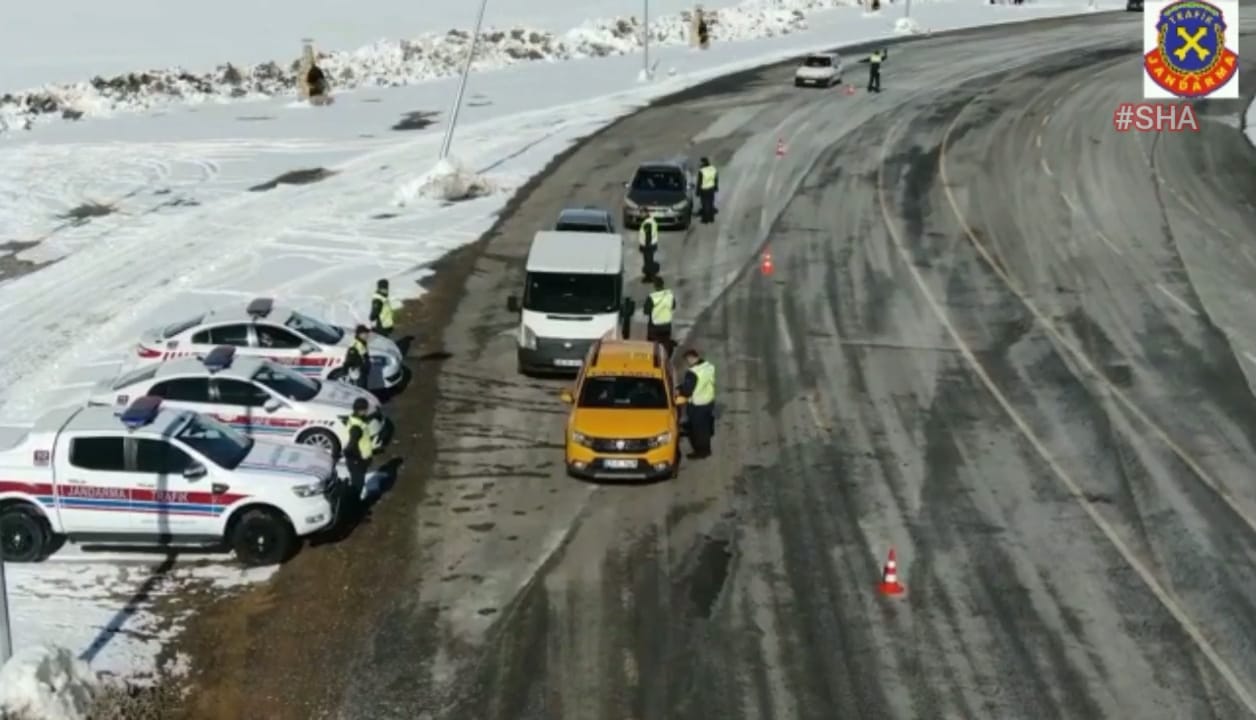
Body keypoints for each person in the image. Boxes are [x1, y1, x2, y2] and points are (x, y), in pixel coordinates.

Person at [676, 349, 716, 459]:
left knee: (698, 431)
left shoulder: (693, 372)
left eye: (687, 360)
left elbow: (687, 391)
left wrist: (678, 390)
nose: (687, 363)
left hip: (697, 405)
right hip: (709, 402)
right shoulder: (709, 366)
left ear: (690, 358)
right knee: (705, 427)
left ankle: (701, 452)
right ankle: (706, 449)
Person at [341, 397, 374, 517]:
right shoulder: (356, 428)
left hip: (356, 460)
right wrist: (359, 460)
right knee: (357, 486)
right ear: (361, 410)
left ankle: (355, 508)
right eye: (365, 409)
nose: (367, 411)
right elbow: (351, 447)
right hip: (357, 461)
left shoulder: (355, 419)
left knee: (357, 484)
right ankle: (355, 512)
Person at [643, 276, 675, 356]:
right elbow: (673, 306)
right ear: (663, 284)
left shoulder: (652, 297)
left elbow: (646, 311)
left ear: (654, 286)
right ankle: (665, 358)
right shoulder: (670, 295)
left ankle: (653, 360)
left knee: (652, 345)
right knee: (665, 343)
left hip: (654, 326)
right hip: (667, 325)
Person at [342, 324, 372, 390]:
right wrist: (345, 369)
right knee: (362, 389)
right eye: (365, 333)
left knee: (364, 387)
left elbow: (364, 355)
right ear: (360, 334)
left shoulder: (362, 342)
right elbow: (350, 358)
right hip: (358, 371)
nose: (367, 335)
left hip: (363, 369)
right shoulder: (355, 345)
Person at [638, 209, 660, 282]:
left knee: (648, 261)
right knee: (649, 260)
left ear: (645, 213)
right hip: (651, 245)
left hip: (648, 246)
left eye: (641, 213)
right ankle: (649, 275)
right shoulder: (651, 220)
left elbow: (648, 236)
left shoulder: (647, 223)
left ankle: (649, 277)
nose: (640, 215)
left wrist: (645, 246)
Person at [698, 158, 719, 224]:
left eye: (701, 162)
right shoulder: (712, 169)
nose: (700, 164)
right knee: (710, 203)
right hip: (711, 189)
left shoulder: (702, 170)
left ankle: (705, 219)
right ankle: (711, 218)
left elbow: (699, 181)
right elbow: (716, 178)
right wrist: (716, 187)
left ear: (703, 162)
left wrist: (698, 191)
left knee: (704, 204)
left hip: (704, 189)